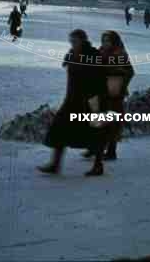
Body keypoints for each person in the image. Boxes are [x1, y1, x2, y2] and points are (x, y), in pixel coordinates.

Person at [38, 29, 107, 177]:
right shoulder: (72, 54)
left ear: (82, 40)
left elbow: (100, 78)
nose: (72, 44)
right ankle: (55, 164)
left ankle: (98, 165)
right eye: (71, 41)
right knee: (59, 129)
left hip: (89, 100)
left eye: (75, 41)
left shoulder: (93, 55)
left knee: (94, 133)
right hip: (72, 99)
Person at [83, 30, 135, 161]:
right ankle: (93, 146)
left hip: (114, 93)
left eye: (108, 41)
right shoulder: (101, 52)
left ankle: (111, 151)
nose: (105, 43)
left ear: (114, 41)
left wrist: (120, 82)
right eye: (103, 40)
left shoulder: (120, 54)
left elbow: (130, 72)